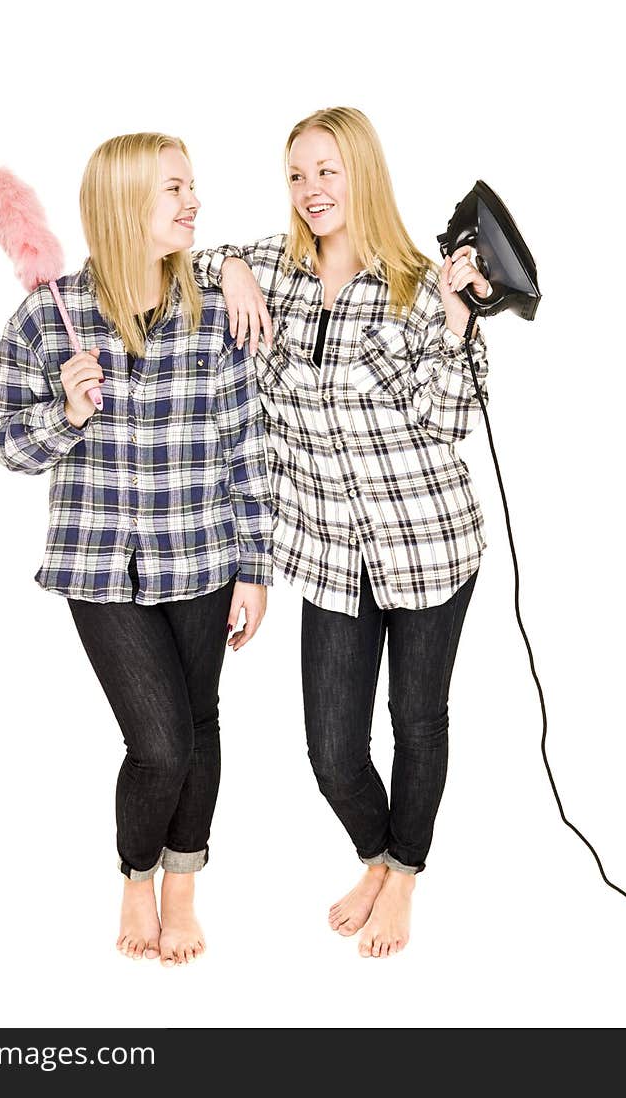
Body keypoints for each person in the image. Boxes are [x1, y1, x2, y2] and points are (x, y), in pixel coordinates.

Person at [193, 107, 491, 959]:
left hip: (428, 544)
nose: (311, 190)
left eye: (327, 171)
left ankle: (404, 871)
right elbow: (185, 257)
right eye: (297, 175)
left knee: (416, 718)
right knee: (332, 748)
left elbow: (451, 417)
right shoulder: (276, 271)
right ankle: (374, 850)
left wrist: (456, 317)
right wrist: (236, 271)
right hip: (327, 551)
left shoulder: (416, 282)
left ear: (362, 172)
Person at [0, 133, 272, 966]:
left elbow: (245, 446)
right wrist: (64, 414)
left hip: (202, 556)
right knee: (161, 741)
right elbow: (3, 441)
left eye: (192, 186)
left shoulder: (217, 312)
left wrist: (254, 566)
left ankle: (181, 881)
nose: (193, 201)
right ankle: (135, 868)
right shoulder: (46, 318)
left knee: (201, 723)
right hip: (97, 563)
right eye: (174, 189)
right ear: (124, 203)